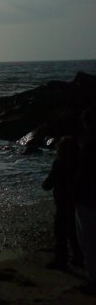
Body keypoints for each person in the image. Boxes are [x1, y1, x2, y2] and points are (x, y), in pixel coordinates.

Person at [42, 136, 83, 270]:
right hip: (77, 201)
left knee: (60, 232)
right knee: (74, 232)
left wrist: (46, 184)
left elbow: (48, 184)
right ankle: (79, 258)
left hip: (62, 201)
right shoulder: (81, 163)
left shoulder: (59, 163)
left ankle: (61, 259)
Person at [74, 106, 96, 296]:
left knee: (89, 242)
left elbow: (83, 174)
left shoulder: (89, 146)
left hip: (87, 200)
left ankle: (93, 281)